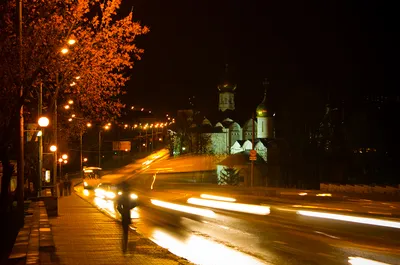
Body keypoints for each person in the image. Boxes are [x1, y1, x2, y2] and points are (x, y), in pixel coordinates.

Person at [116, 181, 136, 252]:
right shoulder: (127, 196)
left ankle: (125, 245)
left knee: (125, 230)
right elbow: (135, 203)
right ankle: (125, 245)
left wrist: (122, 212)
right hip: (126, 214)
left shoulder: (122, 196)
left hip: (125, 214)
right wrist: (128, 208)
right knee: (125, 230)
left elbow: (118, 207)